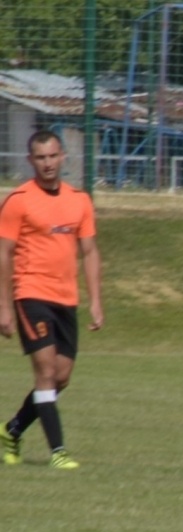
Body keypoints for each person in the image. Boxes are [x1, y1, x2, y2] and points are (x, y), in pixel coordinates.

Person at [0, 129, 104, 470]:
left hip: (66, 299)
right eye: (40, 157)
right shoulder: (19, 200)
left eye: (53, 156)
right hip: (30, 294)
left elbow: (90, 252)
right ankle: (58, 451)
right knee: (45, 371)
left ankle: (12, 430)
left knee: (61, 377)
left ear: (63, 157)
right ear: (30, 160)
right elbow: (4, 254)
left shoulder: (79, 200)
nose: (47, 163)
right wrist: (4, 306)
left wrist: (95, 300)